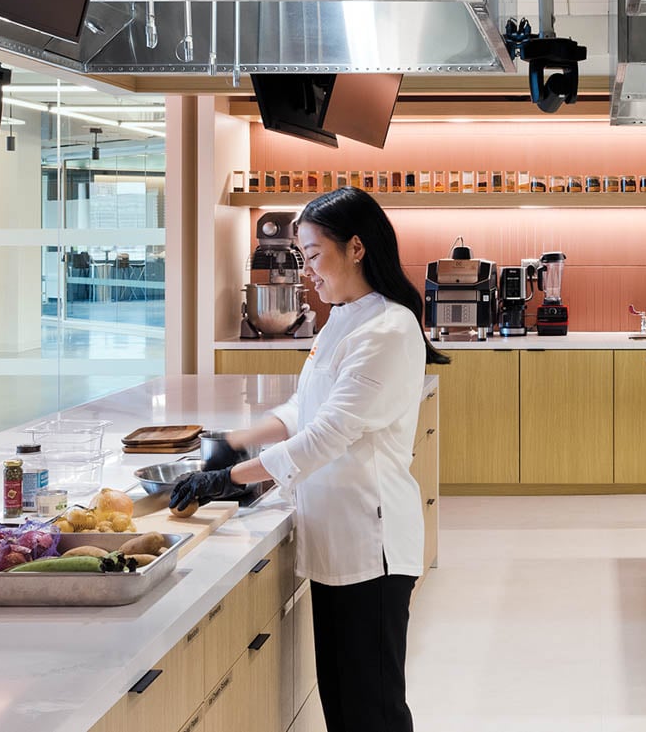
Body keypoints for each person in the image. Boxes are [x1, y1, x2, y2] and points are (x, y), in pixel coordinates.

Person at [170, 186, 449, 732]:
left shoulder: (388, 330)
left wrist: (230, 476)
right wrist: (236, 438)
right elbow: (305, 407)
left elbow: (327, 435)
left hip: (373, 544)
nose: (309, 274)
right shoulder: (343, 318)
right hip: (333, 538)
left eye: (315, 256)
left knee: (374, 710)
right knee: (342, 705)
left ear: (357, 249)